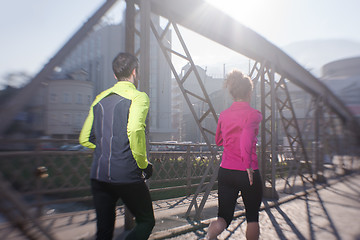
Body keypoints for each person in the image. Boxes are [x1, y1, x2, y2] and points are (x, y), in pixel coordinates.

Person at [79, 52, 155, 240]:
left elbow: (84, 138)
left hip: (99, 175)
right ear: (134, 72)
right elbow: (135, 131)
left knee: (104, 232)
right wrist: (143, 164)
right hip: (126, 175)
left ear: (115, 75)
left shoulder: (99, 99)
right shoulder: (139, 97)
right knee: (146, 221)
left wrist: (107, 147)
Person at [204, 70, 263, 240]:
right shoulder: (253, 115)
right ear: (249, 93)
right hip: (247, 171)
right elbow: (245, 139)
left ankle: (210, 235)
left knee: (224, 217)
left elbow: (218, 140)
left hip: (226, 171)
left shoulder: (224, 115)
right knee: (252, 218)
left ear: (232, 93)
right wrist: (248, 166)